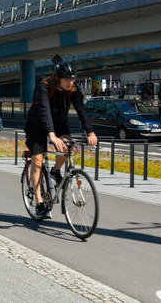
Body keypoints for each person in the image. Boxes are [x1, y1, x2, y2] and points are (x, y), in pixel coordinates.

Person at [24, 60, 97, 217]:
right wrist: (51, 134)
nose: (71, 82)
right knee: (37, 160)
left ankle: (55, 171)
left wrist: (90, 132)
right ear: (58, 78)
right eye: (67, 79)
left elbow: (81, 109)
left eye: (73, 79)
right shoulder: (44, 87)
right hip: (37, 124)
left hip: (59, 123)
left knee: (66, 147)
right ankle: (39, 203)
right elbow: (44, 110)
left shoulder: (72, 89)